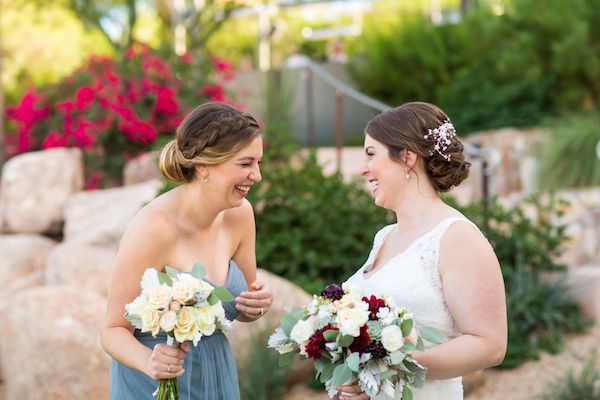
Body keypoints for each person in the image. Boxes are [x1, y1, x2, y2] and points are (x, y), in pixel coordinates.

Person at [101, 102, 273, 400]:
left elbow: (242, 310)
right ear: (204, 165)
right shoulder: (154, 228)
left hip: (216, 376)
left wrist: (255, 305)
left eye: (258, 163)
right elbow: (112, 331)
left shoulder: (240, 214)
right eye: (245, 164)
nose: (256, 175)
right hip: (153, 386)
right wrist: (150, 362)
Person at [338, 102, 507, 400]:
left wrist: (395, 367)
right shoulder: (385, 236)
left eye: (370, 154)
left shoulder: (457, 237)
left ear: (406, 157)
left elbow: (490, 344)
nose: (363, 169)